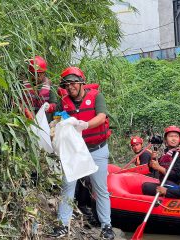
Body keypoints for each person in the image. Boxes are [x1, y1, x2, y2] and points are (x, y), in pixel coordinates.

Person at [52, 66, 114, 239]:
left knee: (100, 188)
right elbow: (57, 119)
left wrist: (85, 125)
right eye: (66, 85)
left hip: (97, 149)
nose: (70, 87)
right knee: (67, 187)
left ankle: (106, 226)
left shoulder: (96, 97)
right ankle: (63, 225)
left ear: (81, 83)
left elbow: (102, 116)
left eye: (73, 83)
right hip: (74, 152)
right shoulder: (63, 101)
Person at [142, 126, 180, 195]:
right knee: (145, 185)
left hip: (176, 185)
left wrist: (159, 168)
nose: (173, 139)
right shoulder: (166, 153)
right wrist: (153, 159)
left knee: (146, 187)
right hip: (165, 183)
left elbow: (178, 175)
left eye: (176, 136)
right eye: (170, 136)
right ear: (165, 139)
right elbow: (153, 170)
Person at [22, 56, 56, 122]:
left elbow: (55, 104)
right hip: (27, 122)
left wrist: (49, 107)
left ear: (44, 73)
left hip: (45, 123)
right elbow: (15, 103)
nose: (36, 77)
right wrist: (25, 110)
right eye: (34, 74)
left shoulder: (49, 85)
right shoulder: (22, 85)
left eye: (39, 74)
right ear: (29, 73)